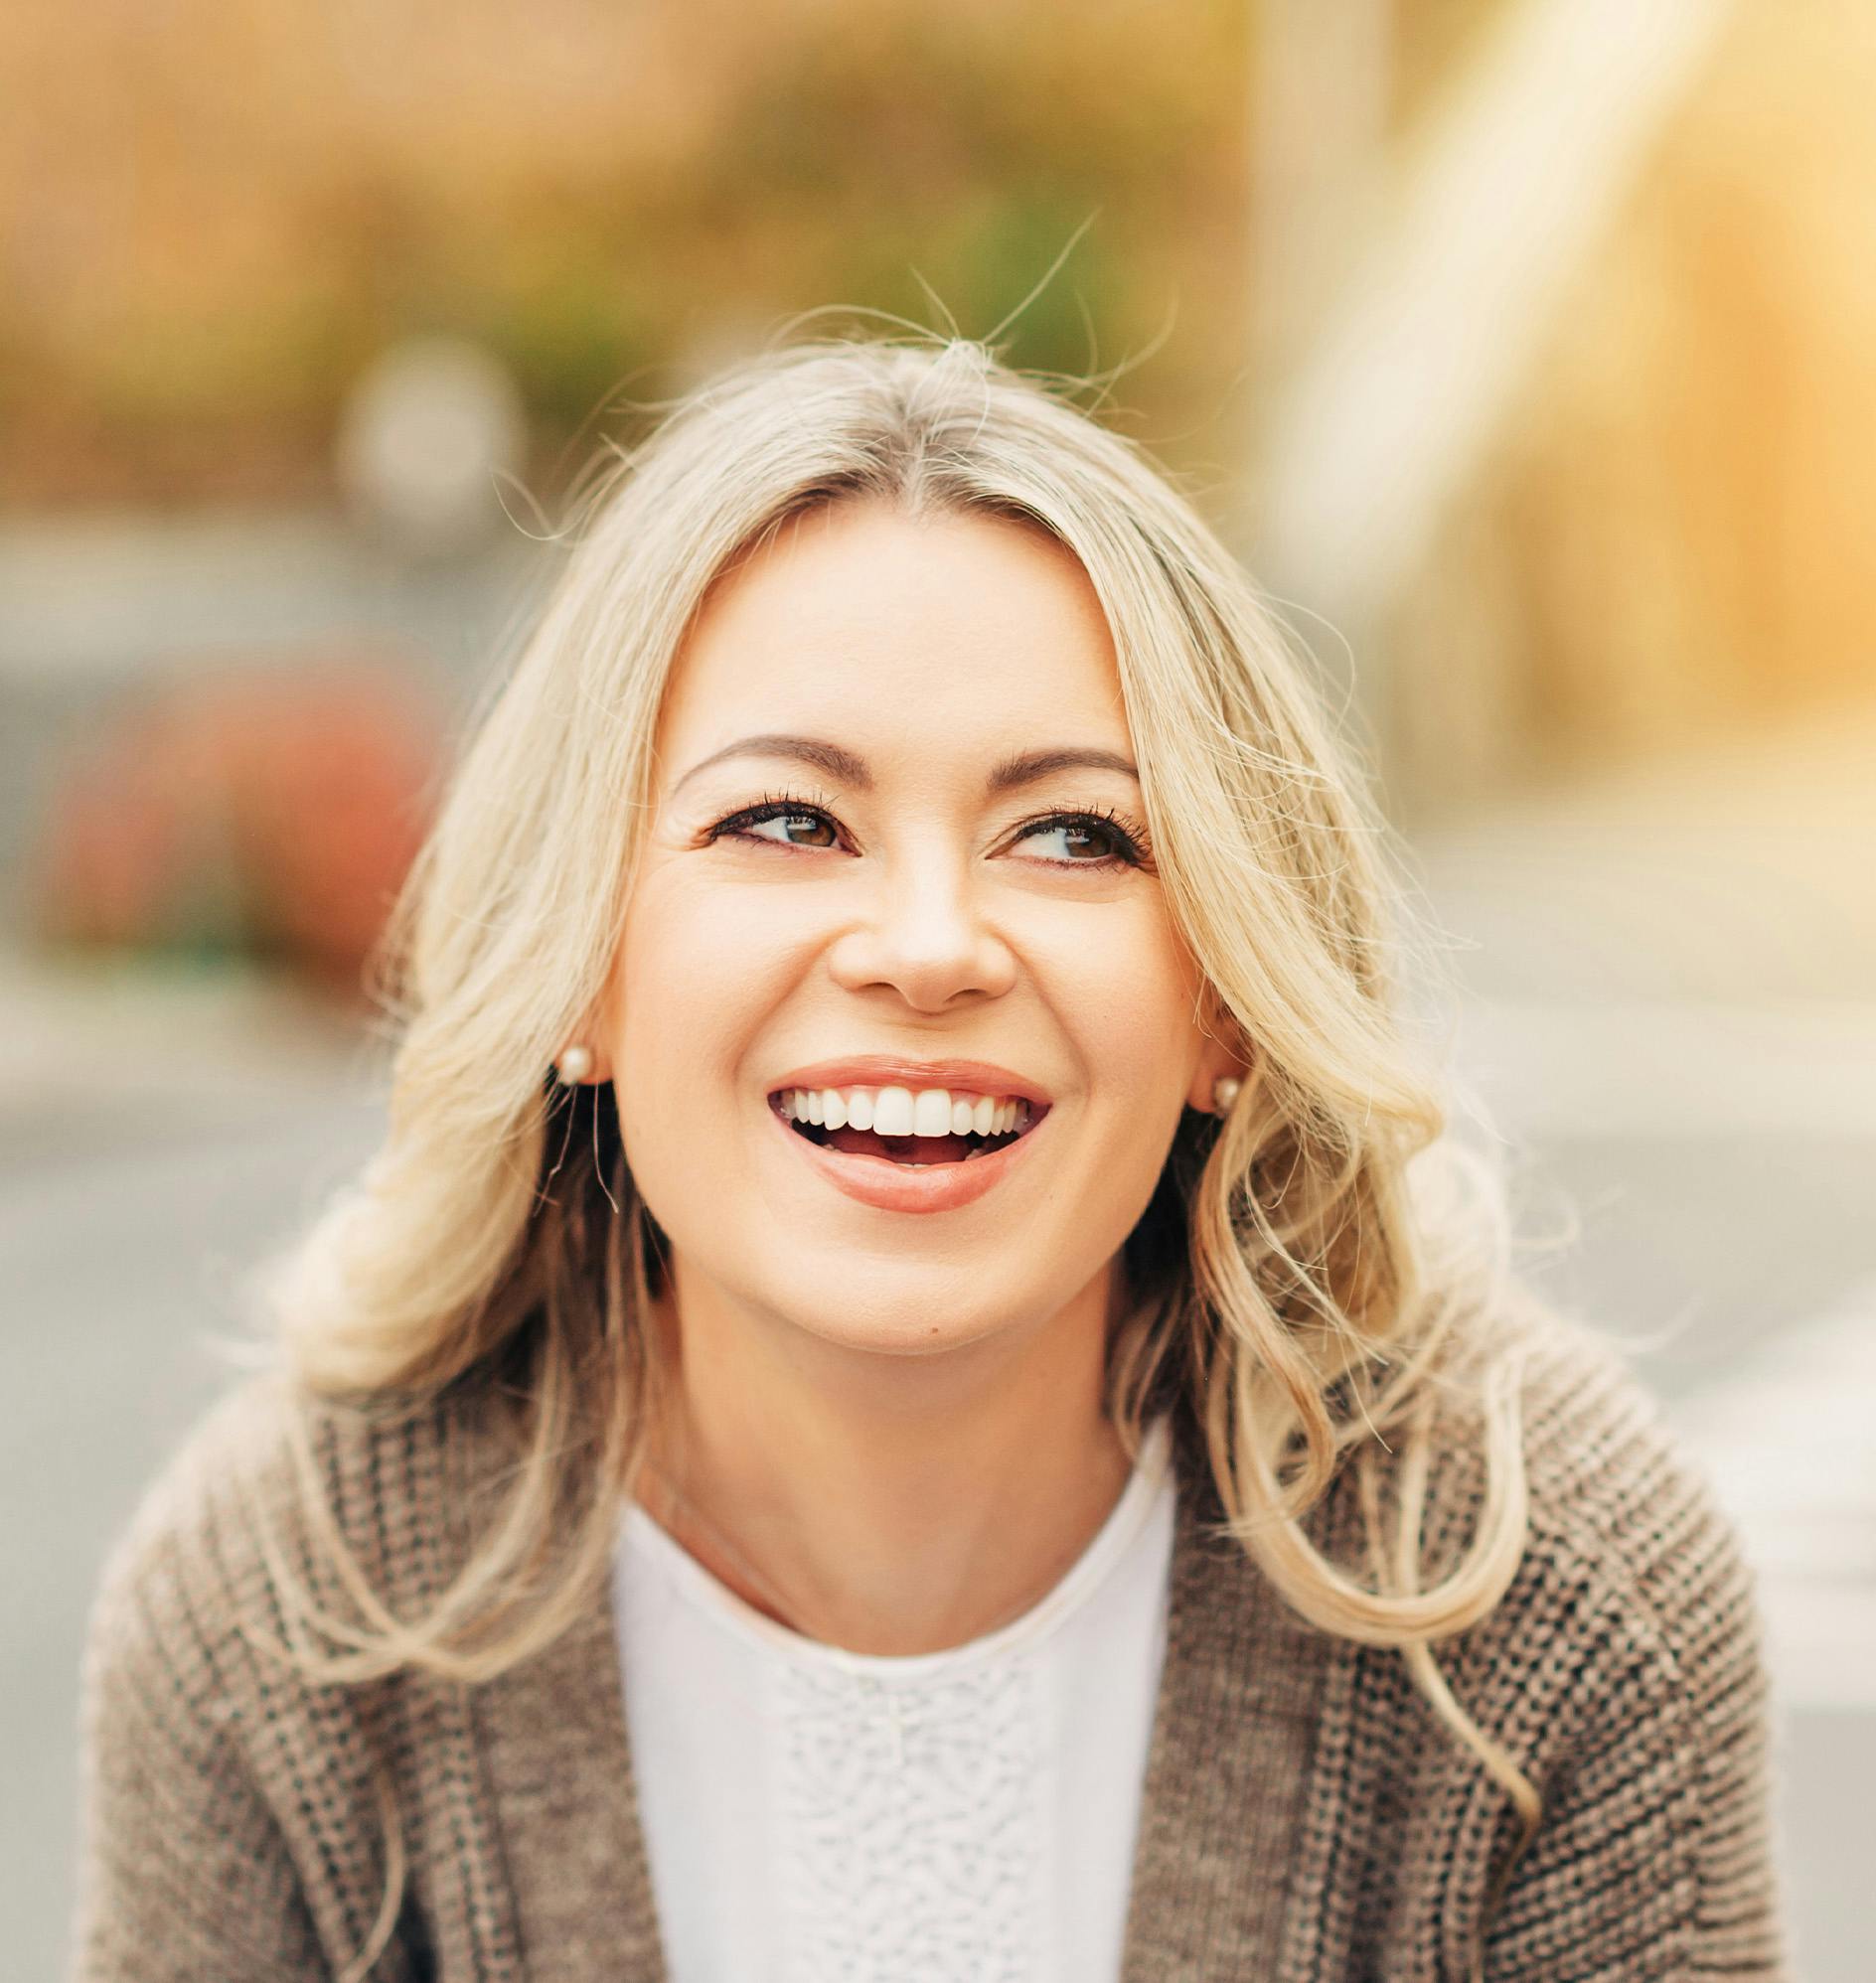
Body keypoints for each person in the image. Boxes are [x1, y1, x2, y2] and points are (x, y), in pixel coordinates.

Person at [71, 338, 1791, 1981]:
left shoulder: (1554, 1588)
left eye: (1074, 834)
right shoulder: (284, 1609)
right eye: (785, 820)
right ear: (581, 963)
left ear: (1225, 1009)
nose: (926, 947)